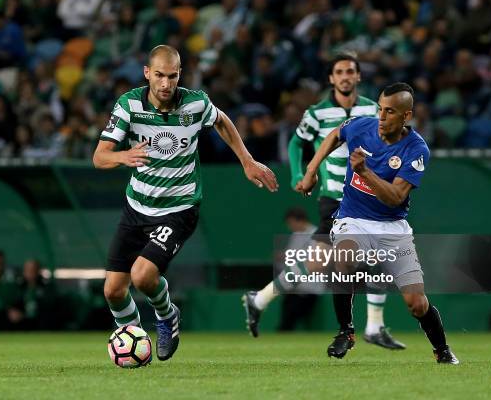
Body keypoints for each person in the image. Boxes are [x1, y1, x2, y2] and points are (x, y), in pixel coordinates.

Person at [93, 45, 278, 361]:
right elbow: (99, 156)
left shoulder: (195, 103)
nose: (166, 84)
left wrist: (247, 160)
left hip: (179, 208)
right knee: (113, 291)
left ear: (180, 75)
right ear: (147, 73)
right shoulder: (128, 106)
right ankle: (135, 341)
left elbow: (222, 121)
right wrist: (122, 155)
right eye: (160, 76)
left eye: (173, 76)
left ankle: (166, 315)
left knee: (143, 276)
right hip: (137, 207)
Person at [243, 53, 405, 350]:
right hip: (335, 198)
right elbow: (296, 142)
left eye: (350, 71)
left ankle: (261, 298)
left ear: (358, 77)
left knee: (328, 261)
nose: (345, 76)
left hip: (367, 196)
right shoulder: (316, 114)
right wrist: (299, 172)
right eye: (339, 72)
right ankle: (372, 326)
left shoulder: (373, 109)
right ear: (331, 79)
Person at [296, 82, 459, 364]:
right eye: (381, 110)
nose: (382, 117)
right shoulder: (362, 126)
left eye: (390, 112)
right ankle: (345, 331)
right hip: (353, 218)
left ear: (406, 116)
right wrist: (312, 170)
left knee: (416, 304)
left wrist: (364, 171)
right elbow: (336, 134)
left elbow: (395, 197)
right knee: (343, 256)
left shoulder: (416, 149)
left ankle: (442, 350)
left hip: (393, 227)